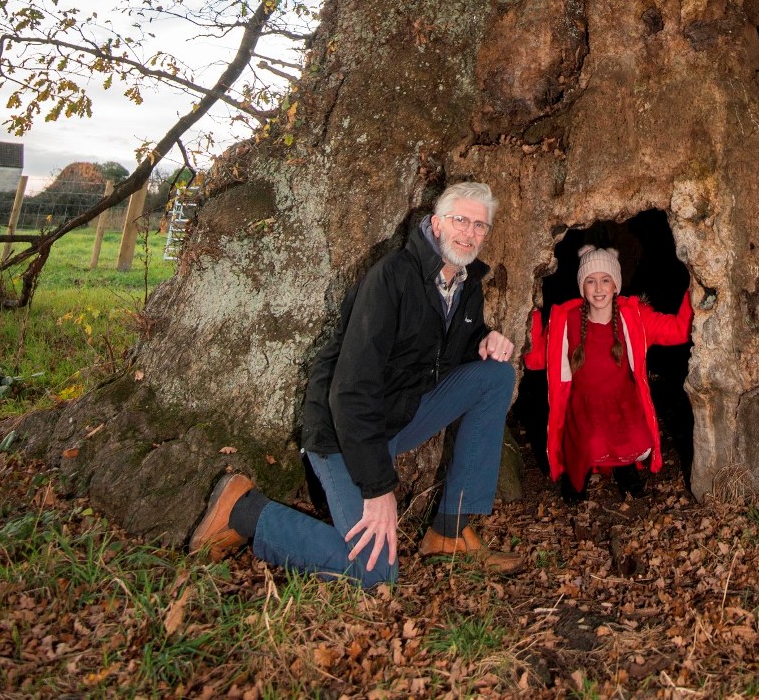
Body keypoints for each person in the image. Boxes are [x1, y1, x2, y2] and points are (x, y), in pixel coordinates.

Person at [187, 181, 523, 584]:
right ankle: (247, 512)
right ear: (436, 224)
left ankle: (450, 531)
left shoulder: (465, 284)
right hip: (343, 429)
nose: (469, 233)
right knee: (376, 573)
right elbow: (349, 391)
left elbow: (438, 348)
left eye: (479, 226)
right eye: (460, 221)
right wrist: (378, 487)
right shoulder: (392, 278)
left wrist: (483, 338)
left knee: (496, 375)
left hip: (399, 415)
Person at [524, 244, 692, 499]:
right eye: (591, 281)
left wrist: (694, 293)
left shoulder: (634, 316)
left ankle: (624, 469)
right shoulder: (565, 320)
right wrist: (532, 314)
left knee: (638, 440)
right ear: (582, 287)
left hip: (622, 402)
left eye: (605, 280)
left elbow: (678, 330)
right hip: (583, 406)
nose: (599, 288)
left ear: (616, 285)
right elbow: (535, 361)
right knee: (589, 443)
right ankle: (575, 475)